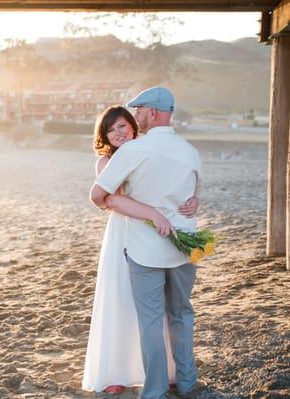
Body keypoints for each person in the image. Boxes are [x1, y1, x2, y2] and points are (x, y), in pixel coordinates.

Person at [90, 87, 203, 399]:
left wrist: (145, 212)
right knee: (181, 314)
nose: (135, 116)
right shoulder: (190, 150)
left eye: (137, 111)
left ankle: (153, 391)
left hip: (145, 250)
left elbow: (98, 196)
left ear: (152, 113)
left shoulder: (133, 151)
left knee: (151, 321)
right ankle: (187, 382)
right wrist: (192, 203)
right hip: (184, 245)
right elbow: (194, 192)